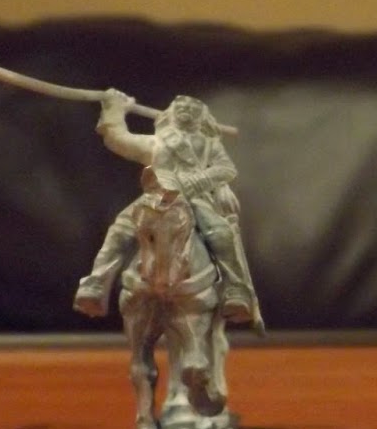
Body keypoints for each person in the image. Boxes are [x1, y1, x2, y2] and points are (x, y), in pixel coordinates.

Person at [79, 90, 261, 328]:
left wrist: (197, 181)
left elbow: (226, 169)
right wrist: (115, 108)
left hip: (195, 199)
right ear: (169, 114)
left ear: (202, 117)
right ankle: (96, 283)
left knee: (221, 234)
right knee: (120, 230)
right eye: (180, 106)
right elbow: (117, 139)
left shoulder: (209, 145)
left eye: (193, 108)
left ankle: (236, 289)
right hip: (155, 198)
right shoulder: (155, 143)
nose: (186, 109)